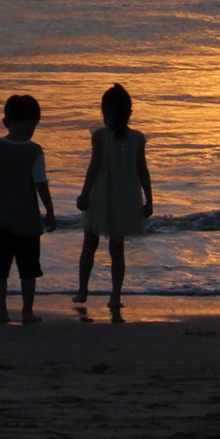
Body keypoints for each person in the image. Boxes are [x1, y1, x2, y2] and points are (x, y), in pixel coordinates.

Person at [0, 93, 57, 324]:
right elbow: (40, 183)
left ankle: (1, 311)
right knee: (29, 270)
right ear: (33, 121)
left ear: (5, 121)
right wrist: (50, 211)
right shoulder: (34, 151)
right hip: (27, 221)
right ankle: (27, 312)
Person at [73, 82, 153, 312]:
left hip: (101, 195)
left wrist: (85, 193)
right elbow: (142, 171)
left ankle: (82, 291)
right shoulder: (136, 138)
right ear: (129, 114)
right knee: (117, 249)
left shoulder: (100, 136)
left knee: (90, 242)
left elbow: (94, 167)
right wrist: (149, 199)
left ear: (106, 112)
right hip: (125, 197)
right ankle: (115, 296)